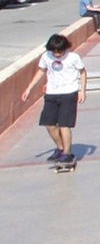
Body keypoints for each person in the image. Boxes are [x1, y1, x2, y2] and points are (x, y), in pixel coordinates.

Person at [20, 33, 87, 166]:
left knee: (64, 125)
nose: (57, 54)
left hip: (69, 92)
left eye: (60, 51)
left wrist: (82, 91)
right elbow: (41, 71)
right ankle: (61, 148)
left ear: (66, 48)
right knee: (49, 124)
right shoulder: (46, 56)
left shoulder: (73, 57)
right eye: (54, 51)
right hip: (51, 93)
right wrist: (29, 88)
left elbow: (83, 72)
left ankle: (67, 154)